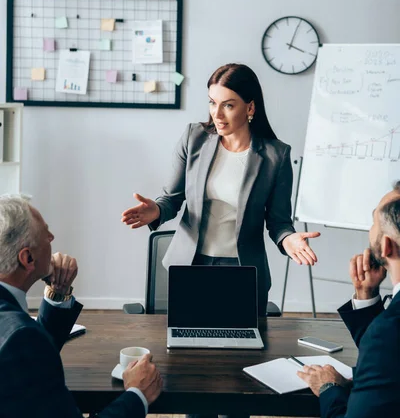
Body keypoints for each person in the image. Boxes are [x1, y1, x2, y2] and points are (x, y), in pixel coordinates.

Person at [122, 63, 320, 315]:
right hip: (190, 265)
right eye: (212, 103)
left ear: (250, 107)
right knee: (185, 346)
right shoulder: (194, 138)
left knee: (245, 349)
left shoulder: (276, 156)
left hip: (244, 269)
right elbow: (171, 199)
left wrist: (288, 238)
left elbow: (278, 221)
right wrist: (157, 211)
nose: (217, 113)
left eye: (228, 105)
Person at [0, 194, 162, 418]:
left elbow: (29, 363)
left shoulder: (21, 338)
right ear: (27, 258)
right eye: (45, 234)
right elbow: (25, 347)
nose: (52, 236)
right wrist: (137, 393)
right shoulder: (22, 340)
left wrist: (58, 292)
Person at [297, 182, 400, 416]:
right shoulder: (387, 332)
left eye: (375, 221)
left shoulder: (386, 334)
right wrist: (367, 296)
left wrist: (328, 386)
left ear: (386, 245)